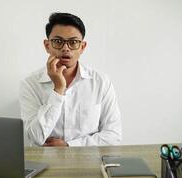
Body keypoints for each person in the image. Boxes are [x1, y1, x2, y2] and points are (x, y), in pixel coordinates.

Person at [19, 12, 122, 146]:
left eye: (73, 42)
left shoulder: (100, 82)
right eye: (58, 41)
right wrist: (58, 90)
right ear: (47, 45)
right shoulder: (30, 84)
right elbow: (36, 137)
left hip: (89, 161)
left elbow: (113, 135)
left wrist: (69, 146)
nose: (65, 48)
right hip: (46, 162)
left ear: (82, 47)